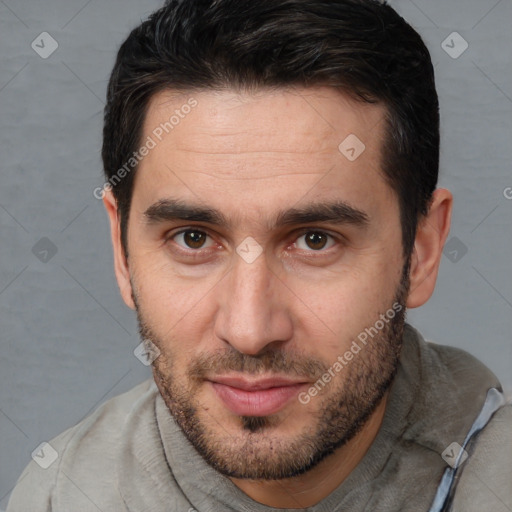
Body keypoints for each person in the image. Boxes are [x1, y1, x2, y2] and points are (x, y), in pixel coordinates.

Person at [7, 0, 511, 510]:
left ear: (421, 251)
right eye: (194, 239)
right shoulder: (58, 495)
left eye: (315, 239)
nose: (250, 330)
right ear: (121, 250)